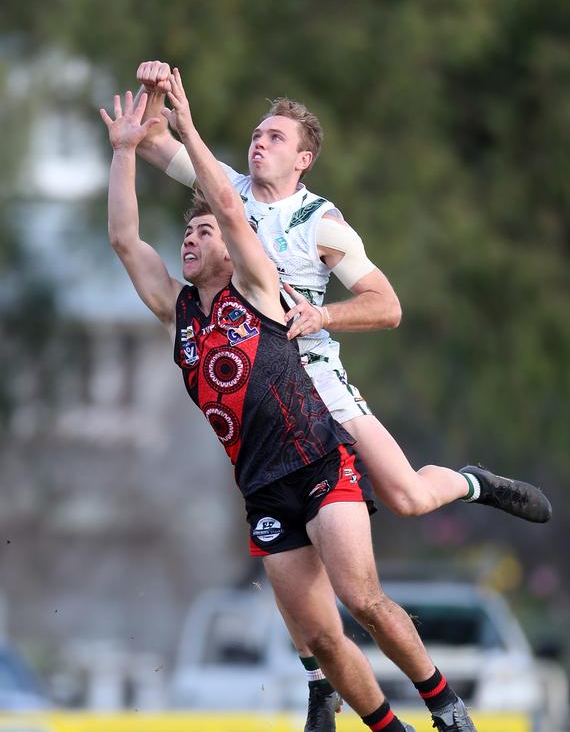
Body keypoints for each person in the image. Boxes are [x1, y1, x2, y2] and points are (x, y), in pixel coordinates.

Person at [131, 60, 552, 732]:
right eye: (256, 132)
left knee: (410, 497)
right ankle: (320, 685)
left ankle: (472, 483)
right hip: (263, 392)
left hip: (322, 386)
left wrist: (323, 316)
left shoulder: (318, 221)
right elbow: (148, 141)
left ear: (303, 158)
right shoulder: (226, 189)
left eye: (275, 136)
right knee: (291, 545)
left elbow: (386, 305)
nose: (258, 142)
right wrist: (153, 89)